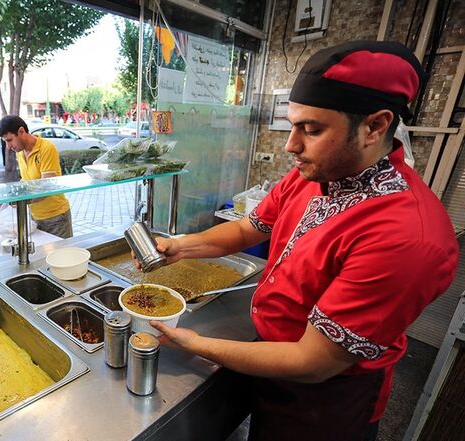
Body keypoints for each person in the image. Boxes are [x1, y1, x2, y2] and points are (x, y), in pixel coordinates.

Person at [145, 41, 458, 441]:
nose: (292, 145)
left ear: (375, 126)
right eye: (293, 125)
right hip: (272, 356)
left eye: (311, 130)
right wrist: (181, 245)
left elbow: (314, 361)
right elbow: (248, 229)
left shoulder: (406, 238)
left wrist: (199, 343)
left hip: (325, 401)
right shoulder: (313, 174)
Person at [0, 115, 73, 238]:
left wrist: (18, 201)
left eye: (9, 140)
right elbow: (26, 181)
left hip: (56, 218)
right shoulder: (20, 153)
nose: (8, 146)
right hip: (34, 216)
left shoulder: (47, 149)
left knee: (61, 255)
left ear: (21, 131)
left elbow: (45, 188)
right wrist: (6, 198)